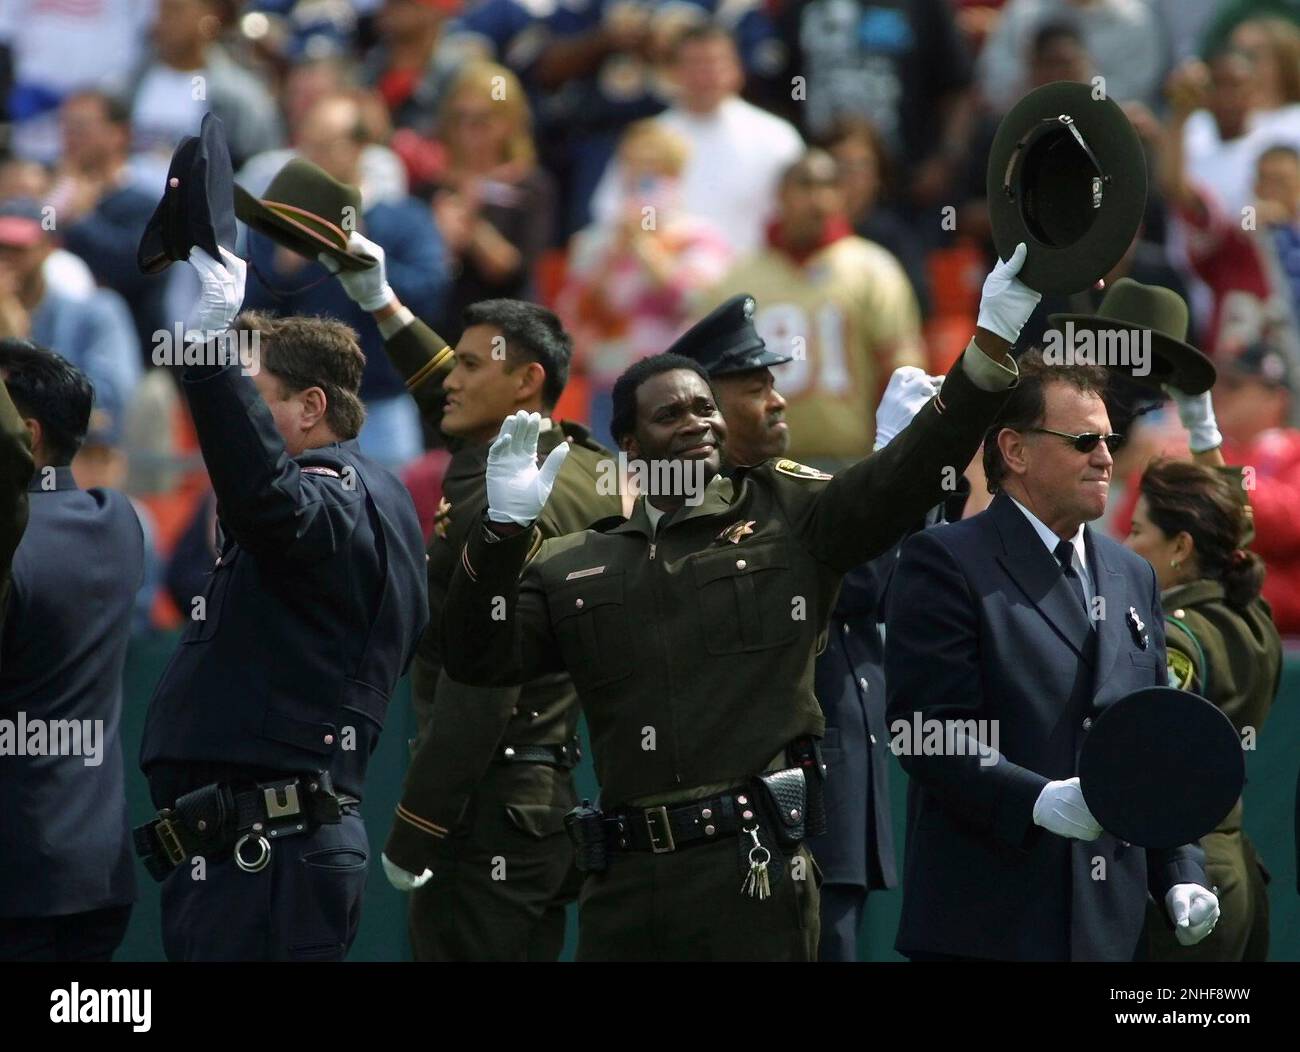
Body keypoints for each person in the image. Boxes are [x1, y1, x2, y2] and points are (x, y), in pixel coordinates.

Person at [437, 246, 1036, 960]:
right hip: (623, 887)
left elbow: (907, 477)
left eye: (705, 407)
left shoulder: (791, 515)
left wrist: (990, 342)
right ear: (631, 444)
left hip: (750, 878)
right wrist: (502, 534)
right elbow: (477, 656)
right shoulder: (577, 563)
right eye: (670, 414)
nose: (696, 422)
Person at [321, 231, 622, 961]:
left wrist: (420, 821)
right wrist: (382, 304)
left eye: (467, 364)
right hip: (538, 803)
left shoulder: (506, 485)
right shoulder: (578, 463)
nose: (446, 380)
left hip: (480, 807)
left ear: (526, 381)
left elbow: (488, 668)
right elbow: (453, 395)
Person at [137, 247, 429, 962]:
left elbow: (273, 505)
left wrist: (206, 353)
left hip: (270, 853)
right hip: (267, 846)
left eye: (251, 392)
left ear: (310, 406)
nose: (238, 413)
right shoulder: (372, 495)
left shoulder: (333, 490)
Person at [885, 348, 1219, 961]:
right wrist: (1035, 800)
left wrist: (1179, 869)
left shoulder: (1130, 573)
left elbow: (1152, 737)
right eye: (1082, 441)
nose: (1105, 456)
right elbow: (925, 733)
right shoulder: (949, 561)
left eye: (1109, 440)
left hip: (1109, 932)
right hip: (993, 924)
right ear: (1014, 451)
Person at [667, 295, 941, 961]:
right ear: (703, 407)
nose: (778, 401)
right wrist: (893, 464)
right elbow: (857, 585)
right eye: (755, 387)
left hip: (836, 794)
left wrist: (904, 475)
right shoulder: (705, 506)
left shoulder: (792, 489)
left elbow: (894, 593)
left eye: (774, 384)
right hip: (772, 804)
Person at [0, 342, 143, 962]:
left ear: (25, 436)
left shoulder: (19, 550)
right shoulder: (115, 520)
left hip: (15, 884)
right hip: (96, 874)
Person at [1125, 443, 1281, 959]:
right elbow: (1235, 532)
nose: (1126, 545)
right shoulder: (1251, 617)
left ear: (1180, 547)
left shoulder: (1173, 639)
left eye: (1138, 531)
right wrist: (1205, 433)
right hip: (1231, 871)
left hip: (1184, 883)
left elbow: (1156, 761)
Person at [240, 106, 449, 468]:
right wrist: (281, 271)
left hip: (381, 402)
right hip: (297, 408)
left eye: (326, 146)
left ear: (358, 148)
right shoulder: (278, 230)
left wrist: (373, 275)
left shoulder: (402, 218)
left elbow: (431, 295)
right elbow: (246, 317)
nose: (315, 158)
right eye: (308, 146)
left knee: (389, 512)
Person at [706, 150, 924, 467]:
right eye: (806, 186)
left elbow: (902, 371)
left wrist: (892, 452)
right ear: (780, 195)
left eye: (830, 186)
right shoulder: (738, 278)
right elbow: (712, 380)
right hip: (760, 468)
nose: (819, 199)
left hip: (852, 464)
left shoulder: (873, 270)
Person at [560, 119, 732, 444]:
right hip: (612, 387)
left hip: (677, 387)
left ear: (675, 175)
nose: (640, 179)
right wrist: (612, 257)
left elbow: (694, 301)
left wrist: (644, 247)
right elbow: (573, 312)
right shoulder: (596, 242)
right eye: (632, 167)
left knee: (676, 485)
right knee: (615, 486)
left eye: (653, 169)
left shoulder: (700, 238)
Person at [588, 24, 804, 256]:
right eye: (694, 64)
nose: (705, 75)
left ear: (737, 69)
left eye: (714, 64)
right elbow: (609, 211)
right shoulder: (647, 139)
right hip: (669, 282)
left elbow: (800, 216)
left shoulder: (776, 136)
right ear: (673, 72)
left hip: (754, 280)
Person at [429, 61, 556, 346]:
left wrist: (471, 224)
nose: (468, 132)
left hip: (506, 335)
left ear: (509, 123)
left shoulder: (529, 186)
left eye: (482, 120)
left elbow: (510, 267)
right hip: (442, 331)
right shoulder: (431, 187)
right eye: (459, 118)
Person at [0, 197, 141, 433]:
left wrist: (18, 343)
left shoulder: (96, 313)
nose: (6, 259)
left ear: (48, 248)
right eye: (1, 247)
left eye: (18, 248)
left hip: (73, 462)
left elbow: (109, 401)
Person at [51, 90, 169, 357]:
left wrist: (81, 220)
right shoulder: (48, 195)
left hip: (130, 352)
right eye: (65, 126)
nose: (70, 137)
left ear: (119, 133)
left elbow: (138, 267)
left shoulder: (145, 203)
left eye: (81, 127)